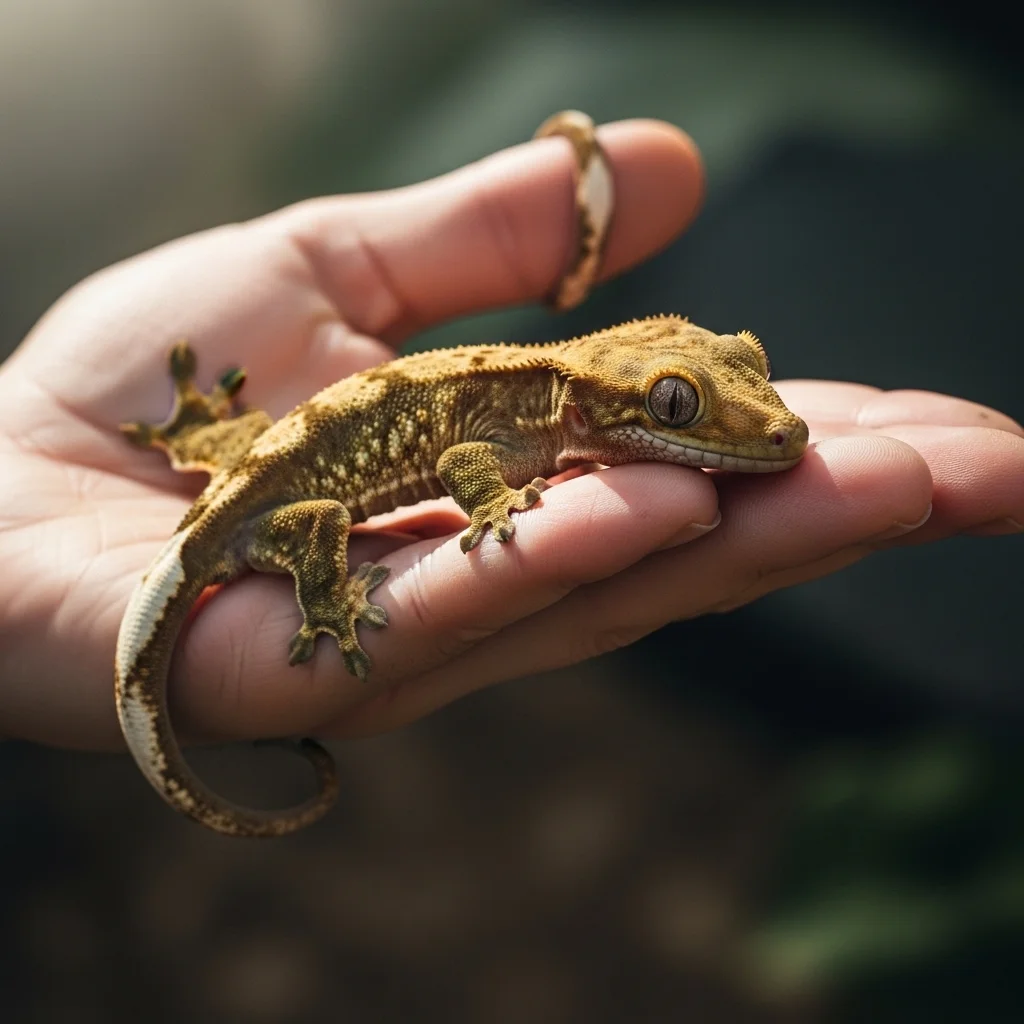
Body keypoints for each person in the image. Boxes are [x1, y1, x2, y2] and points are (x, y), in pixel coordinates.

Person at [0, 118, 1020, 754]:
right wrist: (413, 555)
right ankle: (316, 595)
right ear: (599, 407)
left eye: (733, 372)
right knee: (309, 517)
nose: (750, 423)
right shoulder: (525, 427)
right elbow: (458, 462)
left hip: (250, 466)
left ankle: (206, 443)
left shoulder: (551, 405)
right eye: (677, 407)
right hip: (253, 527)